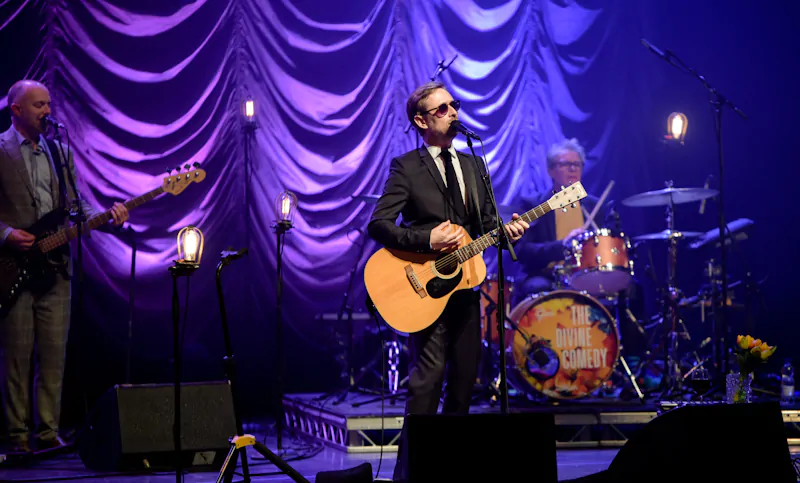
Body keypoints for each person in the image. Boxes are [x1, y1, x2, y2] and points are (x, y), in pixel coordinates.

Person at [368, 81, 528, 482]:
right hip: (423, 290)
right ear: (421, 121)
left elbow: (487, 225)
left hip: (465, 292)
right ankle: (409, 477)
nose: (453, 112)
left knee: (462, 386)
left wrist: (507, 230)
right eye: (442, 109)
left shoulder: (474, 164)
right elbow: (379, 225)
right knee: (425, 387)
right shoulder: (407, 167)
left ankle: (449, 475)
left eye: (454, 105)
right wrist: (427, 238)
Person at [0, 80, 129, 453]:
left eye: (48, 104)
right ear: (17, 110)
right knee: (16, 356)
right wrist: (6, 233)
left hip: (56, 268)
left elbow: (76, 205)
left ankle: (47, 432)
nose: (47, 111)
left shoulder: (58, 151)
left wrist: (108, 217)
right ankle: (17, 435)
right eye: (38, 105)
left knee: (54, 354)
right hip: (13, 269)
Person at [514, 138, 611, 300]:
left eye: (577, 164)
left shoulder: (595, 206)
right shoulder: (534, 205)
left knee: (630, 287)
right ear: (551, 170)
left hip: (588, 274)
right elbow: (523, 251)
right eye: (565, 164)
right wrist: (563, 246)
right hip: (547, 275)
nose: (572, 169)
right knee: (536, 287)